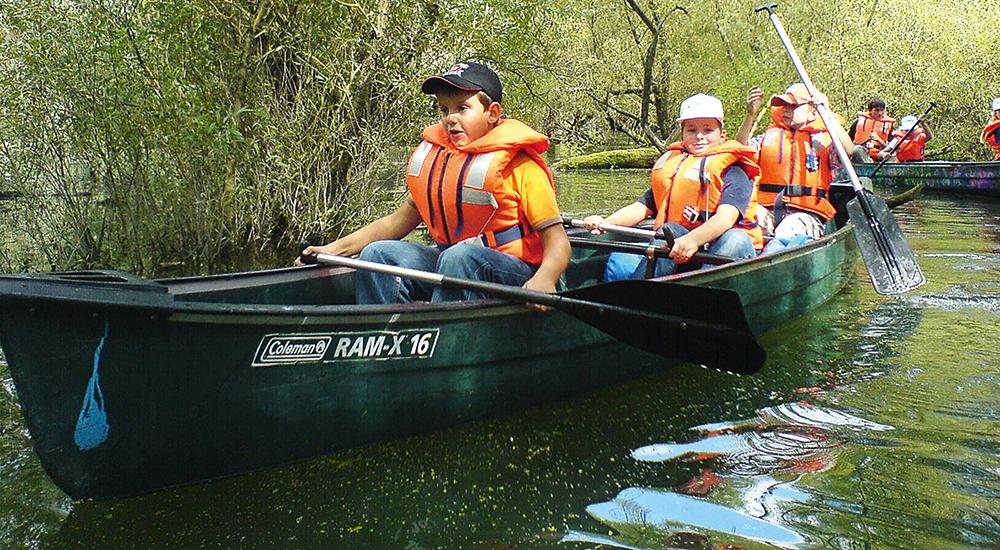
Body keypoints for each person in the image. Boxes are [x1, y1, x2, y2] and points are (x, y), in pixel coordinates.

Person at [300, 61, 570, 305]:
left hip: (515, 271)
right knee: (377, 254)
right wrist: (332, 249)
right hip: (452, 262)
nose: (450, 118)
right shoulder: (441, 160)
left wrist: (545, 279)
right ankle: (384, 336)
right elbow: (395, 224)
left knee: (459, 258)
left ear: (492, 113)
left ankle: (442, 340)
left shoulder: (521, 165)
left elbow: (558, 242)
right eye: (444, 110)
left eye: (462, 108)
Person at [582, 93, 762, 280]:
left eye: (708, 130)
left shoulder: (735, 171)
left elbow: (726, 218)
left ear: (722, 135)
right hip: (685, 251)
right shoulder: (675, 167)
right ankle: (641, 294)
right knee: (669, 231)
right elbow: (642, 207)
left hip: (719, 252)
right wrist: (607, 223)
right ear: (682, 135)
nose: (699, 136)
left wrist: (692, 240)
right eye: (691, 130)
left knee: (736, 239)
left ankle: (701, 293)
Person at [739, 83, 855, 254]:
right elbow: (740, 151)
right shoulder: (767, 137)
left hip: (806, 214)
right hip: (767, 208)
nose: (786, 109)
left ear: (811, 109)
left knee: (789, 229)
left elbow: (848, 151)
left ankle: (769, 258)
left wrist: (826, 112)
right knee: (745, 224)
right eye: (784, 105)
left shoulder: (825, 140)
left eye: (793, 106)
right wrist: (750, 116)